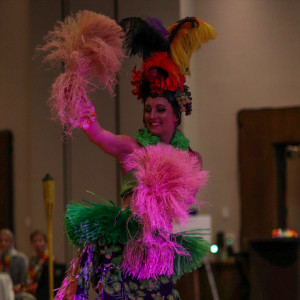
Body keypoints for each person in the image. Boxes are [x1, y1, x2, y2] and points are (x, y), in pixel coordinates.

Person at [40, 11, 216, 299]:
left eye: (160, 109)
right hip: (122, 250)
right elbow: (96, 133)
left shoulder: (191, 160)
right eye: (148, 109)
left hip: (157, 253)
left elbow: (186, 206)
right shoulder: (131, 147)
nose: (152, 116)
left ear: (176, 115)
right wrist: (78, 94)